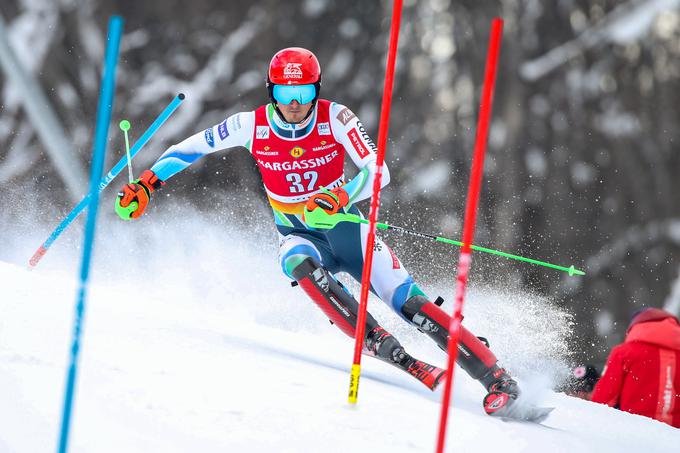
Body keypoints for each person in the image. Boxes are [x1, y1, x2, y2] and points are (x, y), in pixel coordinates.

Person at [115, 47, 520, 415]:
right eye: (287, 94)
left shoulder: (335, 117)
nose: (295, 105)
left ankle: (496, 379)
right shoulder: (249, 125)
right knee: (296, 263)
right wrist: (148, 184)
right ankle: (376, 340)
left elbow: (380, 173)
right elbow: (188, 149)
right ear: (271, 91)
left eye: (305, 94)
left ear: (317, 90)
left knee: (412, 307)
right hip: (299, 234)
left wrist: (340, 196)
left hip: (347, 230)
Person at [591, 307, 680, 428]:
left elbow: (602, 400)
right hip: (674, 438)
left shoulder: (624, 353)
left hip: (633, 434)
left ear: (636, 326)